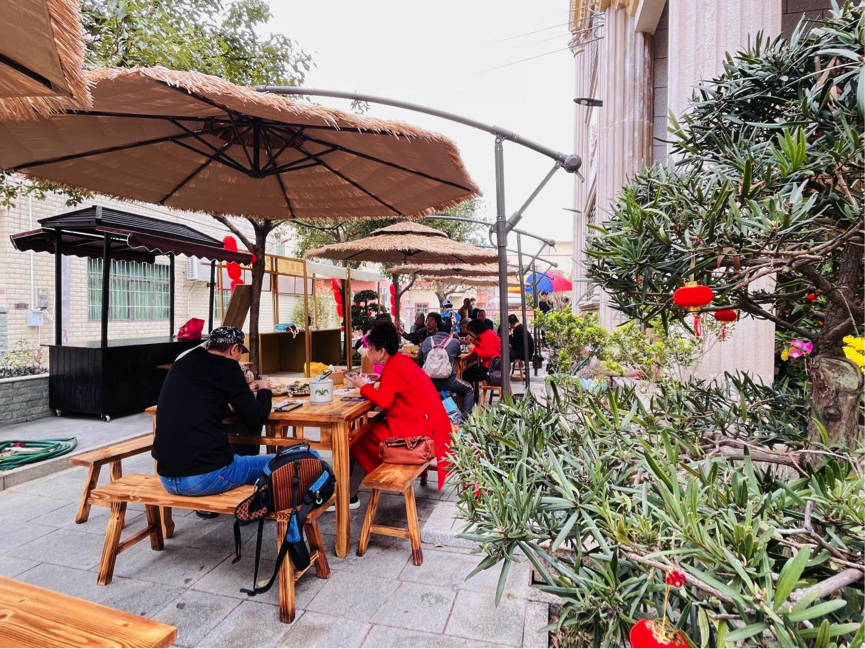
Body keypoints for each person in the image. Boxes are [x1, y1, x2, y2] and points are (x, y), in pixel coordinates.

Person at [152, 326, 274, 499]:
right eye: (240, 352)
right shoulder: (228, 366)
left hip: (167, 478)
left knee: (235, 449)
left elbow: (199, 401)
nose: (239, 358)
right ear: (234, 349)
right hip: (206, 477)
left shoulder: (182, 362)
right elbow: (255, 417)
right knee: (298, 459)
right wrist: (265, 390)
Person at [346, 322, 452, 490]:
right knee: (365, 430)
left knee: (358, 437)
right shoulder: (401, 360)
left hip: (417, 434)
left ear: (382, 351)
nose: (368, 352)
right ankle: (353, 489)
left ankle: (355, 489)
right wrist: (381, 379)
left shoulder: (392, 368)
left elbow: (384, 401)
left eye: (370, 348)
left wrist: (363, 386)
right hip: (429, 424)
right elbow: (399, 384)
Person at [417, 313, 474, 418]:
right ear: (451, 329)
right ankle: (465, 419)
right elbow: (458, 354)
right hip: (449, 382)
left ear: (437, 327)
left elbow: (419, 359)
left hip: (428, 382)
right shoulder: (454, 342)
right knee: (468, 389)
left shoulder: (427, 341)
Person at [463, 319, 502, 384]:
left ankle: (468, 390)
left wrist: (474, 349)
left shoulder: (487, 336)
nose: (471, 333)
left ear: (476, 330)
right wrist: (474, 342)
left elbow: (489, 353)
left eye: (471, 331)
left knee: (466, 374)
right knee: (470, 370)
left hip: (492, 369)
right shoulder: (488, 333)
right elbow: (484, 347)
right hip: (495, 366)